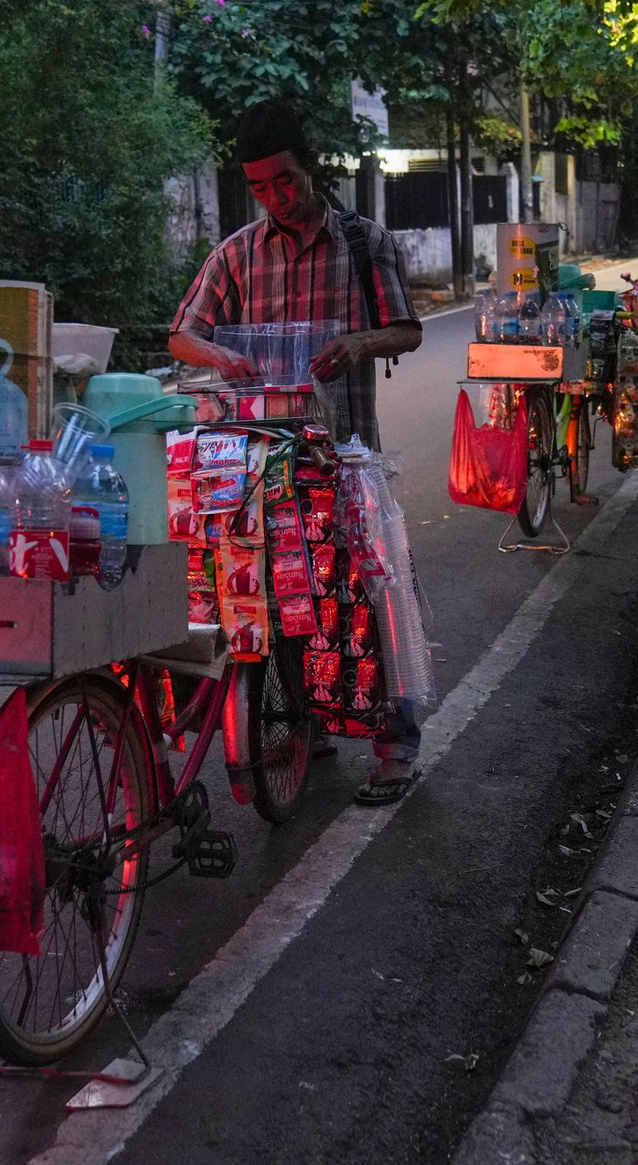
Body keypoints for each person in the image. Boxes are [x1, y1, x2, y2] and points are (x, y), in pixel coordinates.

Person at [169, 100, 426, 805]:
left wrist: (358, 343)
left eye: (284, 180)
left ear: (309, 166)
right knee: (287, 599)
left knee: (373, 598)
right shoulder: (239, 252)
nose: (275, 198)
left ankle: (396, 746)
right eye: (259, 187)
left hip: (345, 457)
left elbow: (406, 329)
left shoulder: (363, 242)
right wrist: (220, 353)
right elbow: (181, 335)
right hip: (260, 466)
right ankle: (305, 723)